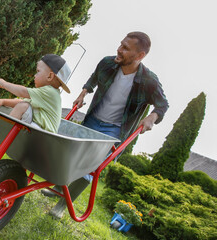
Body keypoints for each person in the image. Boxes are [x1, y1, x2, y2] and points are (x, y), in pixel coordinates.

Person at [42, 31, 169, 218]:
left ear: (140, 55)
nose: (119, 49)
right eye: (121, 44)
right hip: (93, 119)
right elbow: (93, 78)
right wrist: (84, 92)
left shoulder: (149, 81)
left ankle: (61, 206)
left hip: (115, 130)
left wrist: (152, 118)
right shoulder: (108, 63)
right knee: (72, 157)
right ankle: (57, 189)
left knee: (91, 168)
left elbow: (162, 105)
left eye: (126, 48)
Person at [0, 54, 71, 133]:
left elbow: (22, 92)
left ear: (50, 76)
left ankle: (6, 134)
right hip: (38, 130)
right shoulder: (43, 95)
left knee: (23, 106)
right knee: (24, 104)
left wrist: (4, 84)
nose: (35, 75)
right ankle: (8, 135)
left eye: (38, 71)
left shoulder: (50, 92)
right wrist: (3, 101)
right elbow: (21, 101)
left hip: (42, 133)